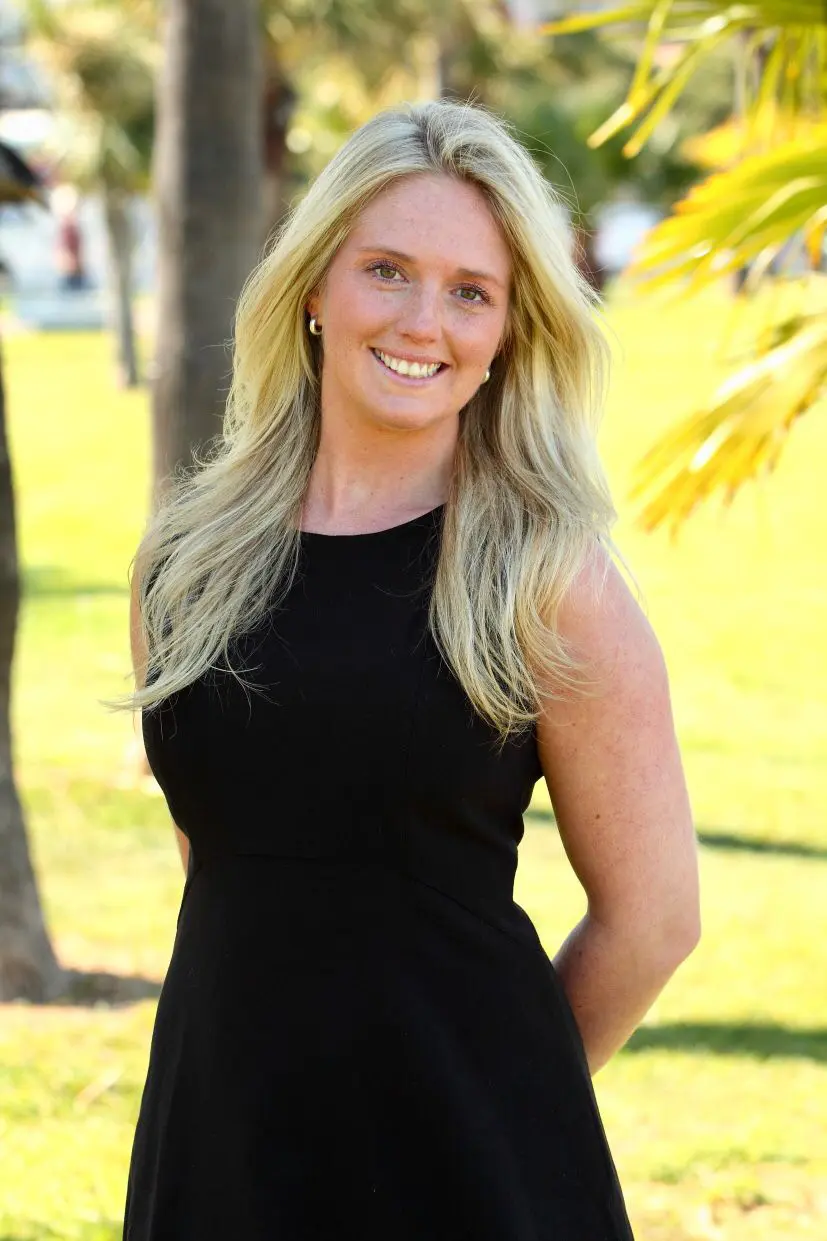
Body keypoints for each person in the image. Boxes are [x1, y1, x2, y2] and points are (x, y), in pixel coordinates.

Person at [113, 99, 700, 1240]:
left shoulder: (546, 578)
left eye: (469, 291)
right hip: (221, 1141)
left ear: (506, 333)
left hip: (470, 1166)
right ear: (316, 290)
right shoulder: (183, 561)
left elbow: (654, 918)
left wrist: (493, 1086)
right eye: (386, 270)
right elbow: (227, 863)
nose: (423, 320)